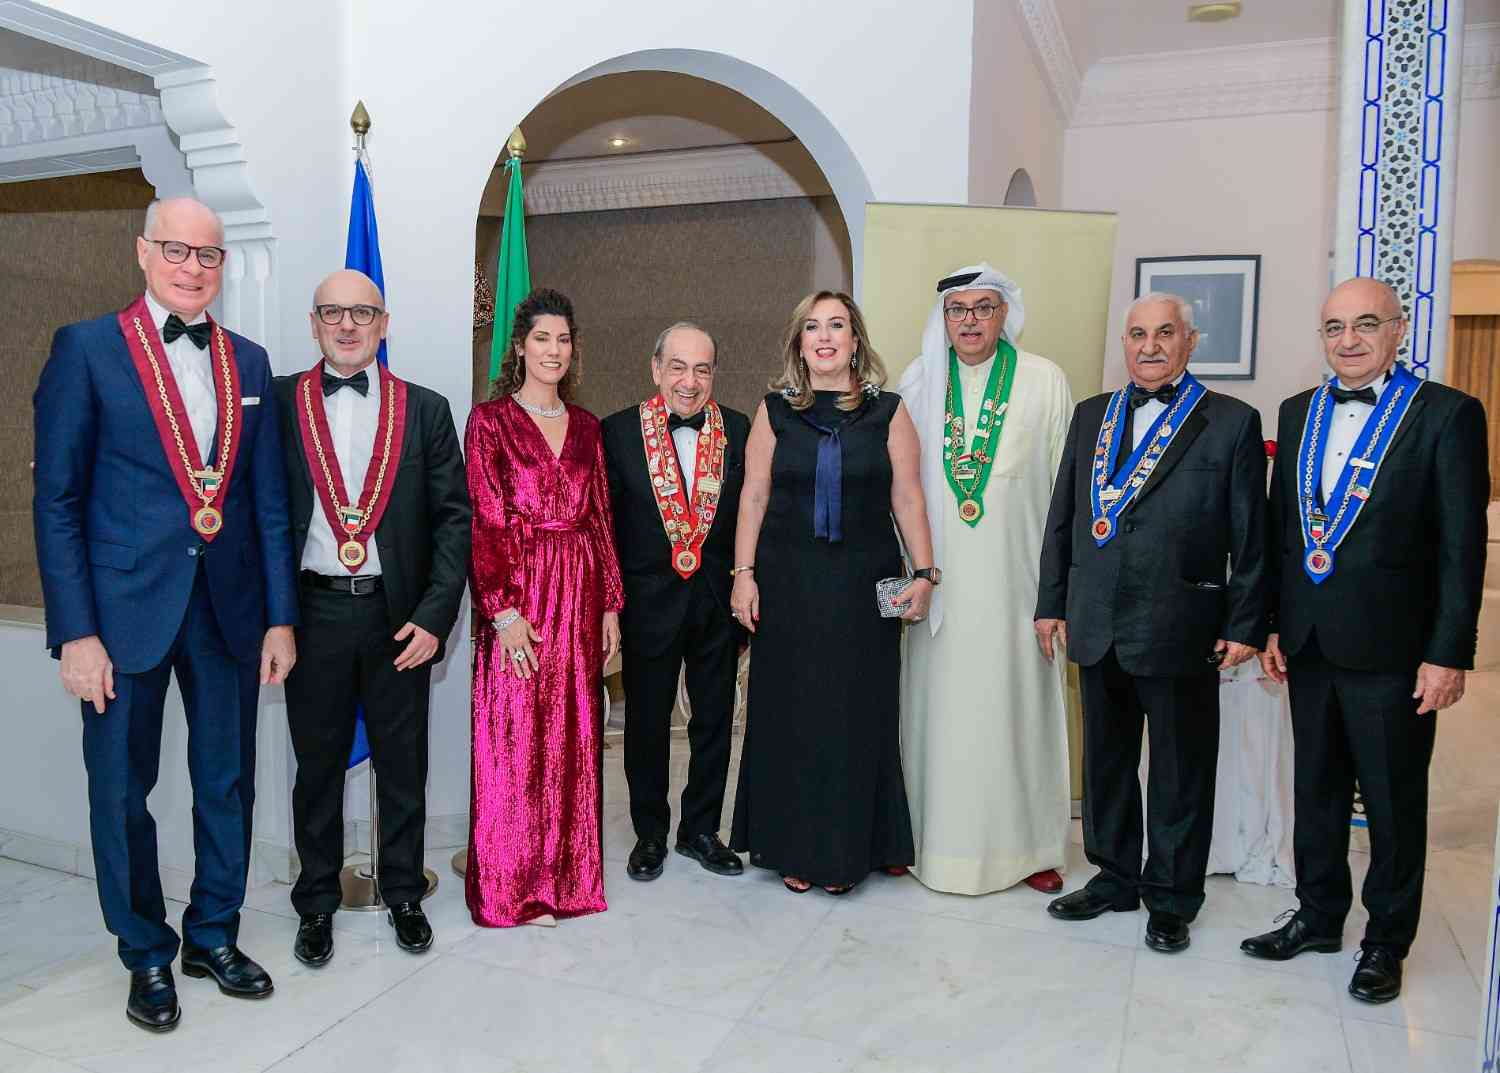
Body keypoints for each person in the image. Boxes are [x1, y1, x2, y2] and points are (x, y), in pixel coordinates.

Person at [32, 197, 297, 1032]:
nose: (192, 267)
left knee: (227, 783)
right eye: (176, 250)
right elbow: (57, 501)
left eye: (208, 255)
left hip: (229, 610)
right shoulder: (86, 349)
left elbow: (268, 502)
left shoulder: (249, 361)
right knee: (121, 791)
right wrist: (76, 631)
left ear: (223, 267)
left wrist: (280, 617)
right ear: (144, 252)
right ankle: (145, 949)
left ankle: (212, 933)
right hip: (118, 617)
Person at [1241, 277, 1489, 1003]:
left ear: (1398, 330)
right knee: (1315, 791)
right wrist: (1274, 622)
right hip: (1310, 640)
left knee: (1391, 801)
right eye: (1334, 327)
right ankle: (1319, 915)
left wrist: (1448, 652)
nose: (1348, 340)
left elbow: (1461, 547)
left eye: (1366, 324)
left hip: (1397, 651)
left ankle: (1386, 940)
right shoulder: (1298, 411)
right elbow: (1286, 531)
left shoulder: (1446, 414)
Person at [1035, 292, 1267, 953]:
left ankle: (1171, 898)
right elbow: (1063, 517)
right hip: (1096, 620)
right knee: (1105, 763)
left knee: (1179, 770)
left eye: (1165, 333)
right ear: (1125, 343)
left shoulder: (1231, 422)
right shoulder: (1092, 416)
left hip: (1181, 624)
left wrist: (1246, 623)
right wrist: (1051, 602)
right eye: (1138, 334)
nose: (1150, 346)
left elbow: (1251, 536)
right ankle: (1114, 876)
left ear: (1190, 342)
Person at [274, 270, 470, 965]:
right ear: (314, 323)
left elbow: (454, 522)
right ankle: (316, 903)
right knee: (317, 768)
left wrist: (435, 617)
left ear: (384, 324)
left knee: (402, 765)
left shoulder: (427, 409)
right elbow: (262, 514)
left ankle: (404, 893)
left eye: (362, 313)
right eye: (333, 312)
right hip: (312, 612)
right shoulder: (280, 403)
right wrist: (275, 618)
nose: (347, 325)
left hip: (400, 618)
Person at [729, 290, 935, 895]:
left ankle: (850, 851)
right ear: (799, 343)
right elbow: (754, 495)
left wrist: (925, 573)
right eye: (812, 327)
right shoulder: (773, 412)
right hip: (787, 585)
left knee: (855, 713)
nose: (824, 337)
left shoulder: (889, 412)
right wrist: (743, 574)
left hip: (862, 587)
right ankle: (793, 846)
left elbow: (907, 496)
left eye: (837, 325)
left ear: (855, 340)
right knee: (791, 712)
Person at [896, 263, 1074, 897]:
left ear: (1004, 314)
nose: (969, 320)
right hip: (938, 589)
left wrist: (1058, 594)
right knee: (940, 719)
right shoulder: (918, 381)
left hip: (1018, 588)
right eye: (957, 309)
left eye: (983, 308)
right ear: (943, 318)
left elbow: (1066, 497)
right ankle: (926, 842)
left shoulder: (1044, 380)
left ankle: (1029, 849)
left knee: (1015, 716)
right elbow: (898, 489)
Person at [465, 288, 624, 927]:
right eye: (542, 339)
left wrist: (610, 603)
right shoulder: (489, 422)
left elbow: (602, 517)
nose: (553, 350)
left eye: (563, 339)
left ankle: (568, 881)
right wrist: (502, 611)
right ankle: (511, 888)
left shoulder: (587, 426)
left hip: (580, 593)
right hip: (520, 593)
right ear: (520, 347)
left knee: (572, 737)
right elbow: (485, 519)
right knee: (514, 739)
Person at [602, 323, 749, 881]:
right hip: (647, 603)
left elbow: (752, 516)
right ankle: (650, 833)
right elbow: (605, 527)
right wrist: (611, 604)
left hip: (717, 601)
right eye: (678, 367)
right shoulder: (617, 432)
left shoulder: (740, 429)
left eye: (702, 369)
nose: (690, 381)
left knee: (715, 719)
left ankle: (701, 831)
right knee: (646, 722)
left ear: (714, 374)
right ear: (656, 369)